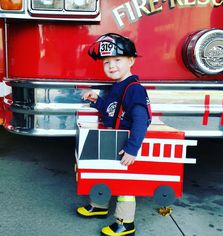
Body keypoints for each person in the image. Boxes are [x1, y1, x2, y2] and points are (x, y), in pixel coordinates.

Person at [77, 33, 151, 236]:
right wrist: (97, 101)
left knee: (125, 185)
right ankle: (99, 205)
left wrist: (132, 148)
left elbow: (141, 120)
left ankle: (125, 223)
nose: (111, 65)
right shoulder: (117, 86)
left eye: (117, 60)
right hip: (112, 137)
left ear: (131, 61)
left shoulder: (134, 89)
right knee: (103, 173)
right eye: (107, 62)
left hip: (124, 143)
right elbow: (111, 112)